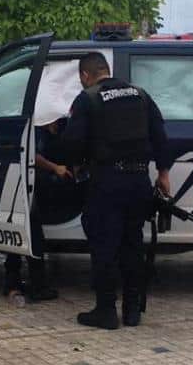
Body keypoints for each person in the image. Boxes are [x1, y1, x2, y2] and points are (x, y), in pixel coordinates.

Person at [61, 51, 172, 330]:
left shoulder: (88, 99)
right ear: (107, 69)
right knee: (133, 245)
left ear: (85, 75)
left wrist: (75, 166)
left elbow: (72, 143)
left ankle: (106, 311)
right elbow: (160, 135)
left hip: (107, 182)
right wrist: (163, 174)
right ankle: (132, 312)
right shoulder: (141, 95)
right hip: (139, 182)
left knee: (104, 247)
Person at [3, 115, 68, 303]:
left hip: (30, 188)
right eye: (55, 120)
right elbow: (33, 156)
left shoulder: (53, 128)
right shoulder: (36, 129)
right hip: (26, 186)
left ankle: (13, 282)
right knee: (33, 235)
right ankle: (36, 286)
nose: (57, 123)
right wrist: (55, 168)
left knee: (19, 234)